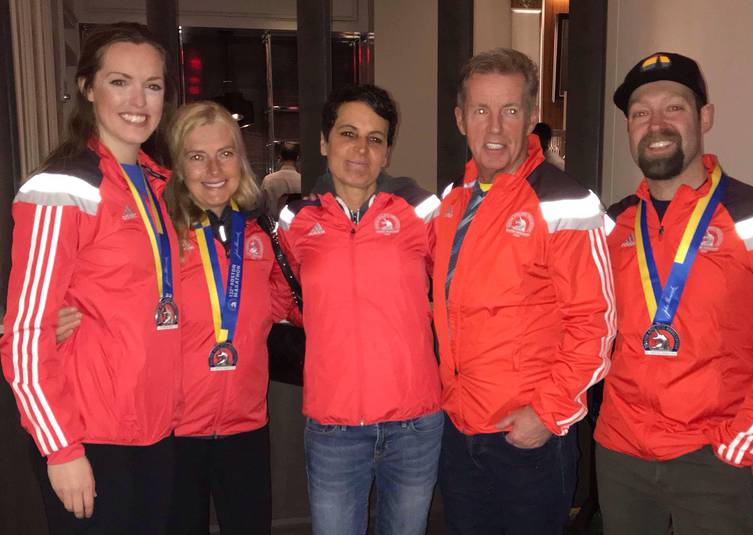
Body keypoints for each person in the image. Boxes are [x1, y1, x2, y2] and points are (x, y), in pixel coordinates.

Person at [596, 51, 753, 535]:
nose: (657, 124)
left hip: (711, 457)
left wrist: (739, 443)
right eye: (641, 113)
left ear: (704, 116)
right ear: (629, 128)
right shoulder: (613, 223)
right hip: (620, 454)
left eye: (675, 108)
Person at [0, 23, 180, 533]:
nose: (139, 100)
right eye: (120, 81)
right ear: (87, 88)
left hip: (153, 431)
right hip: (90, 436)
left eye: (153, 85)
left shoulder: (151, 186)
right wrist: (60, 449)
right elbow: (26, 334)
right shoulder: (63, 187)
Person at [431, 48, 615, 534]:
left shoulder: (564, 201)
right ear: (460, 118)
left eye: (510, 110)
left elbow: (595, 324)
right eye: (481, 110)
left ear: (532, 117)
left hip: (525, 436)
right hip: (461, 427)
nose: (494, 128)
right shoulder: (452, 202)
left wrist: (546, 415)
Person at [277, 84, 443, 535]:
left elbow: (459, 288)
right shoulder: (296, 220)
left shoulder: (420, 210)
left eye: (375, 138)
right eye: (348, 133)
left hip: (415, 423)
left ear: (387, 152)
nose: (360, 149)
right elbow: (279, 294)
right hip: (334, 428)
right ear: (324, 142)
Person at [163, 101, 294, 534]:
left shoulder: (259, 234)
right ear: (179, 167)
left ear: (242, 159)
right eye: (197, 156)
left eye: (226, 153)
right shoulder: (161, 237)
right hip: (175, 431)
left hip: (246, 427)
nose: (214, 168)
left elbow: (288, 299)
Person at [262, 141, 301, 218]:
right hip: (299, 226)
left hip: (274, 226)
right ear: (297, 158)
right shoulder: (304, 180)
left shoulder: (268, 180)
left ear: (280, 158)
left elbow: (261, 207)